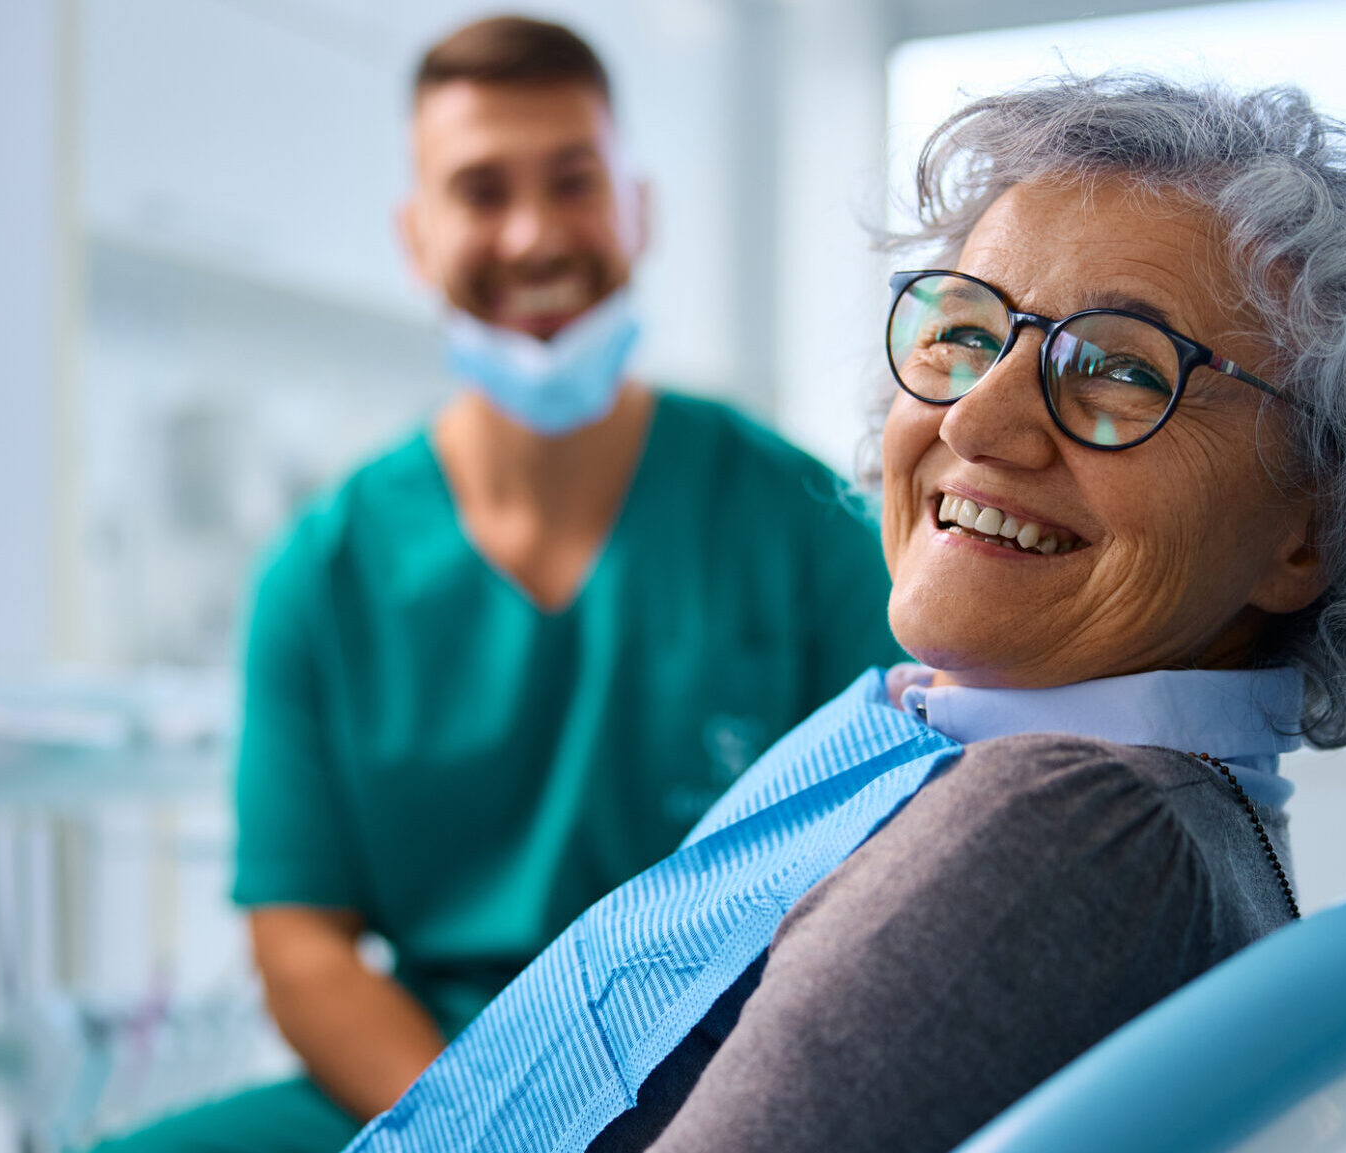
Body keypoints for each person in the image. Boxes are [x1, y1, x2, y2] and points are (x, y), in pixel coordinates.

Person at [342, 74, 1346, 1153]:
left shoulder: (1074, 826)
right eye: (964, 332)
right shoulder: (983, 752)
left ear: (1307, 525)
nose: (973, 420)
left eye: (1121, 369)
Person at [90, 16, 900, 1153]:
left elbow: (890, 877)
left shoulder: (802, 527)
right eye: (480, 191)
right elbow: (301, 943)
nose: (532, 234)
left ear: (638, 210)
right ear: (416, 237)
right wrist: (481, 1128)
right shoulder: (323, 575)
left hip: (730, 1076)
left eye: (573, 182)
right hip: (429, 1080)